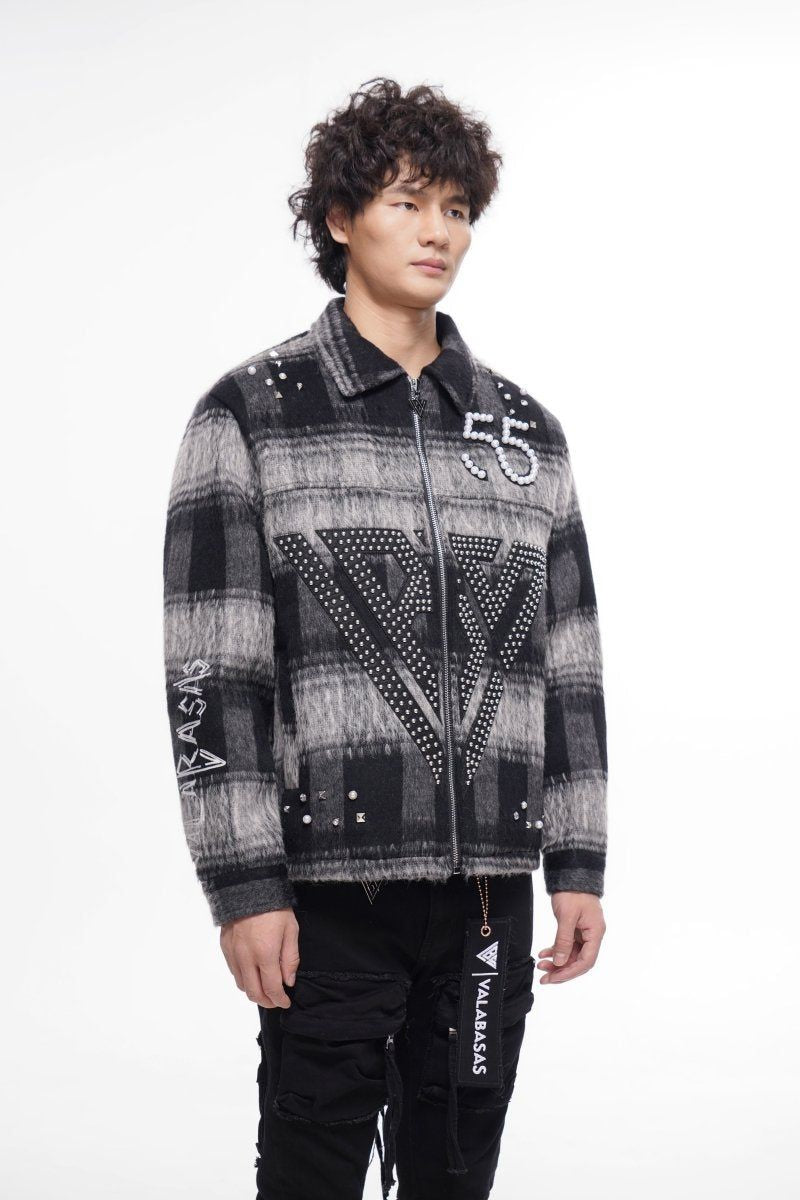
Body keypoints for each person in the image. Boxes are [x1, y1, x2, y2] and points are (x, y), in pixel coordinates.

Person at [162, 77, 608, 1200]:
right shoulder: (252, 413)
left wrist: (578, 864)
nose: (436, 232)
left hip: (488, 891)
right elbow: (212, 670)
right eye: (408, 202)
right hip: (328, 893)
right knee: (309, 1170)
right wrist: (243, 885)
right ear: (339, 218)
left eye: (455, 208)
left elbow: (569, 660)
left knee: (457, 1171)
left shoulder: (524, 433)